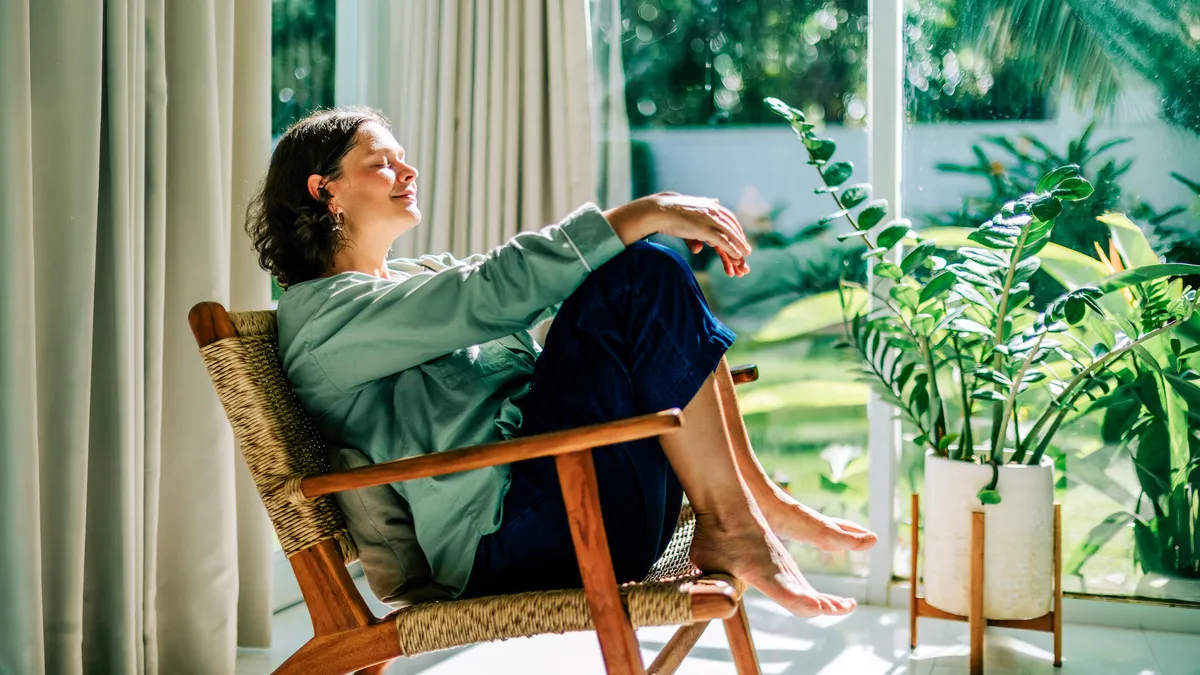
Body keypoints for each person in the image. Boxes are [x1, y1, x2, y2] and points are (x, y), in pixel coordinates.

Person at [247, 107, 876, 617]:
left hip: (579, 503)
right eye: (382, 162)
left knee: (644, 272)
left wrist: (637, 258)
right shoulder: (326, 318)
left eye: (403, 157)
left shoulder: (417, 275)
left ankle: (747, 502)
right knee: (641, 270)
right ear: (324, 190)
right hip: (518, 539)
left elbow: (519, 302)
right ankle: (739, 518)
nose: (408, 170)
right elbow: (489, 294)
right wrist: (646, 211)